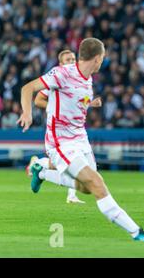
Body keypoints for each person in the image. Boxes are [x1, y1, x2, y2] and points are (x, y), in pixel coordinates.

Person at [17, 38, 144, 241]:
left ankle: (41, 172)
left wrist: (88, 104)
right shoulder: (62, 73)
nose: (103, 62)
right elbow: (27, 88)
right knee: (96, 183)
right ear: (96, 58)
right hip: (61, 143)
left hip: (80, 138)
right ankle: (136, 232)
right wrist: (28, 114)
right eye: (102, 58)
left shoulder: (88, 79)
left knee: (86, 188)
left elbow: (76, 101)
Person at [27, 49, 102, 204]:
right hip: (60, 130)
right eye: (67, 59)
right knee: (75, 165)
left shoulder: (82, 79)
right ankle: (69, 193)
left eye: (73, 59)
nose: (71, 62)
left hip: (76, 129)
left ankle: (39, 168)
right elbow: (38, 100)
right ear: (61, 64)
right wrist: (55, 108)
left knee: (73, 167)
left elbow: (79, 103)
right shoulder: (57, 79)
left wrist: (91, 104)